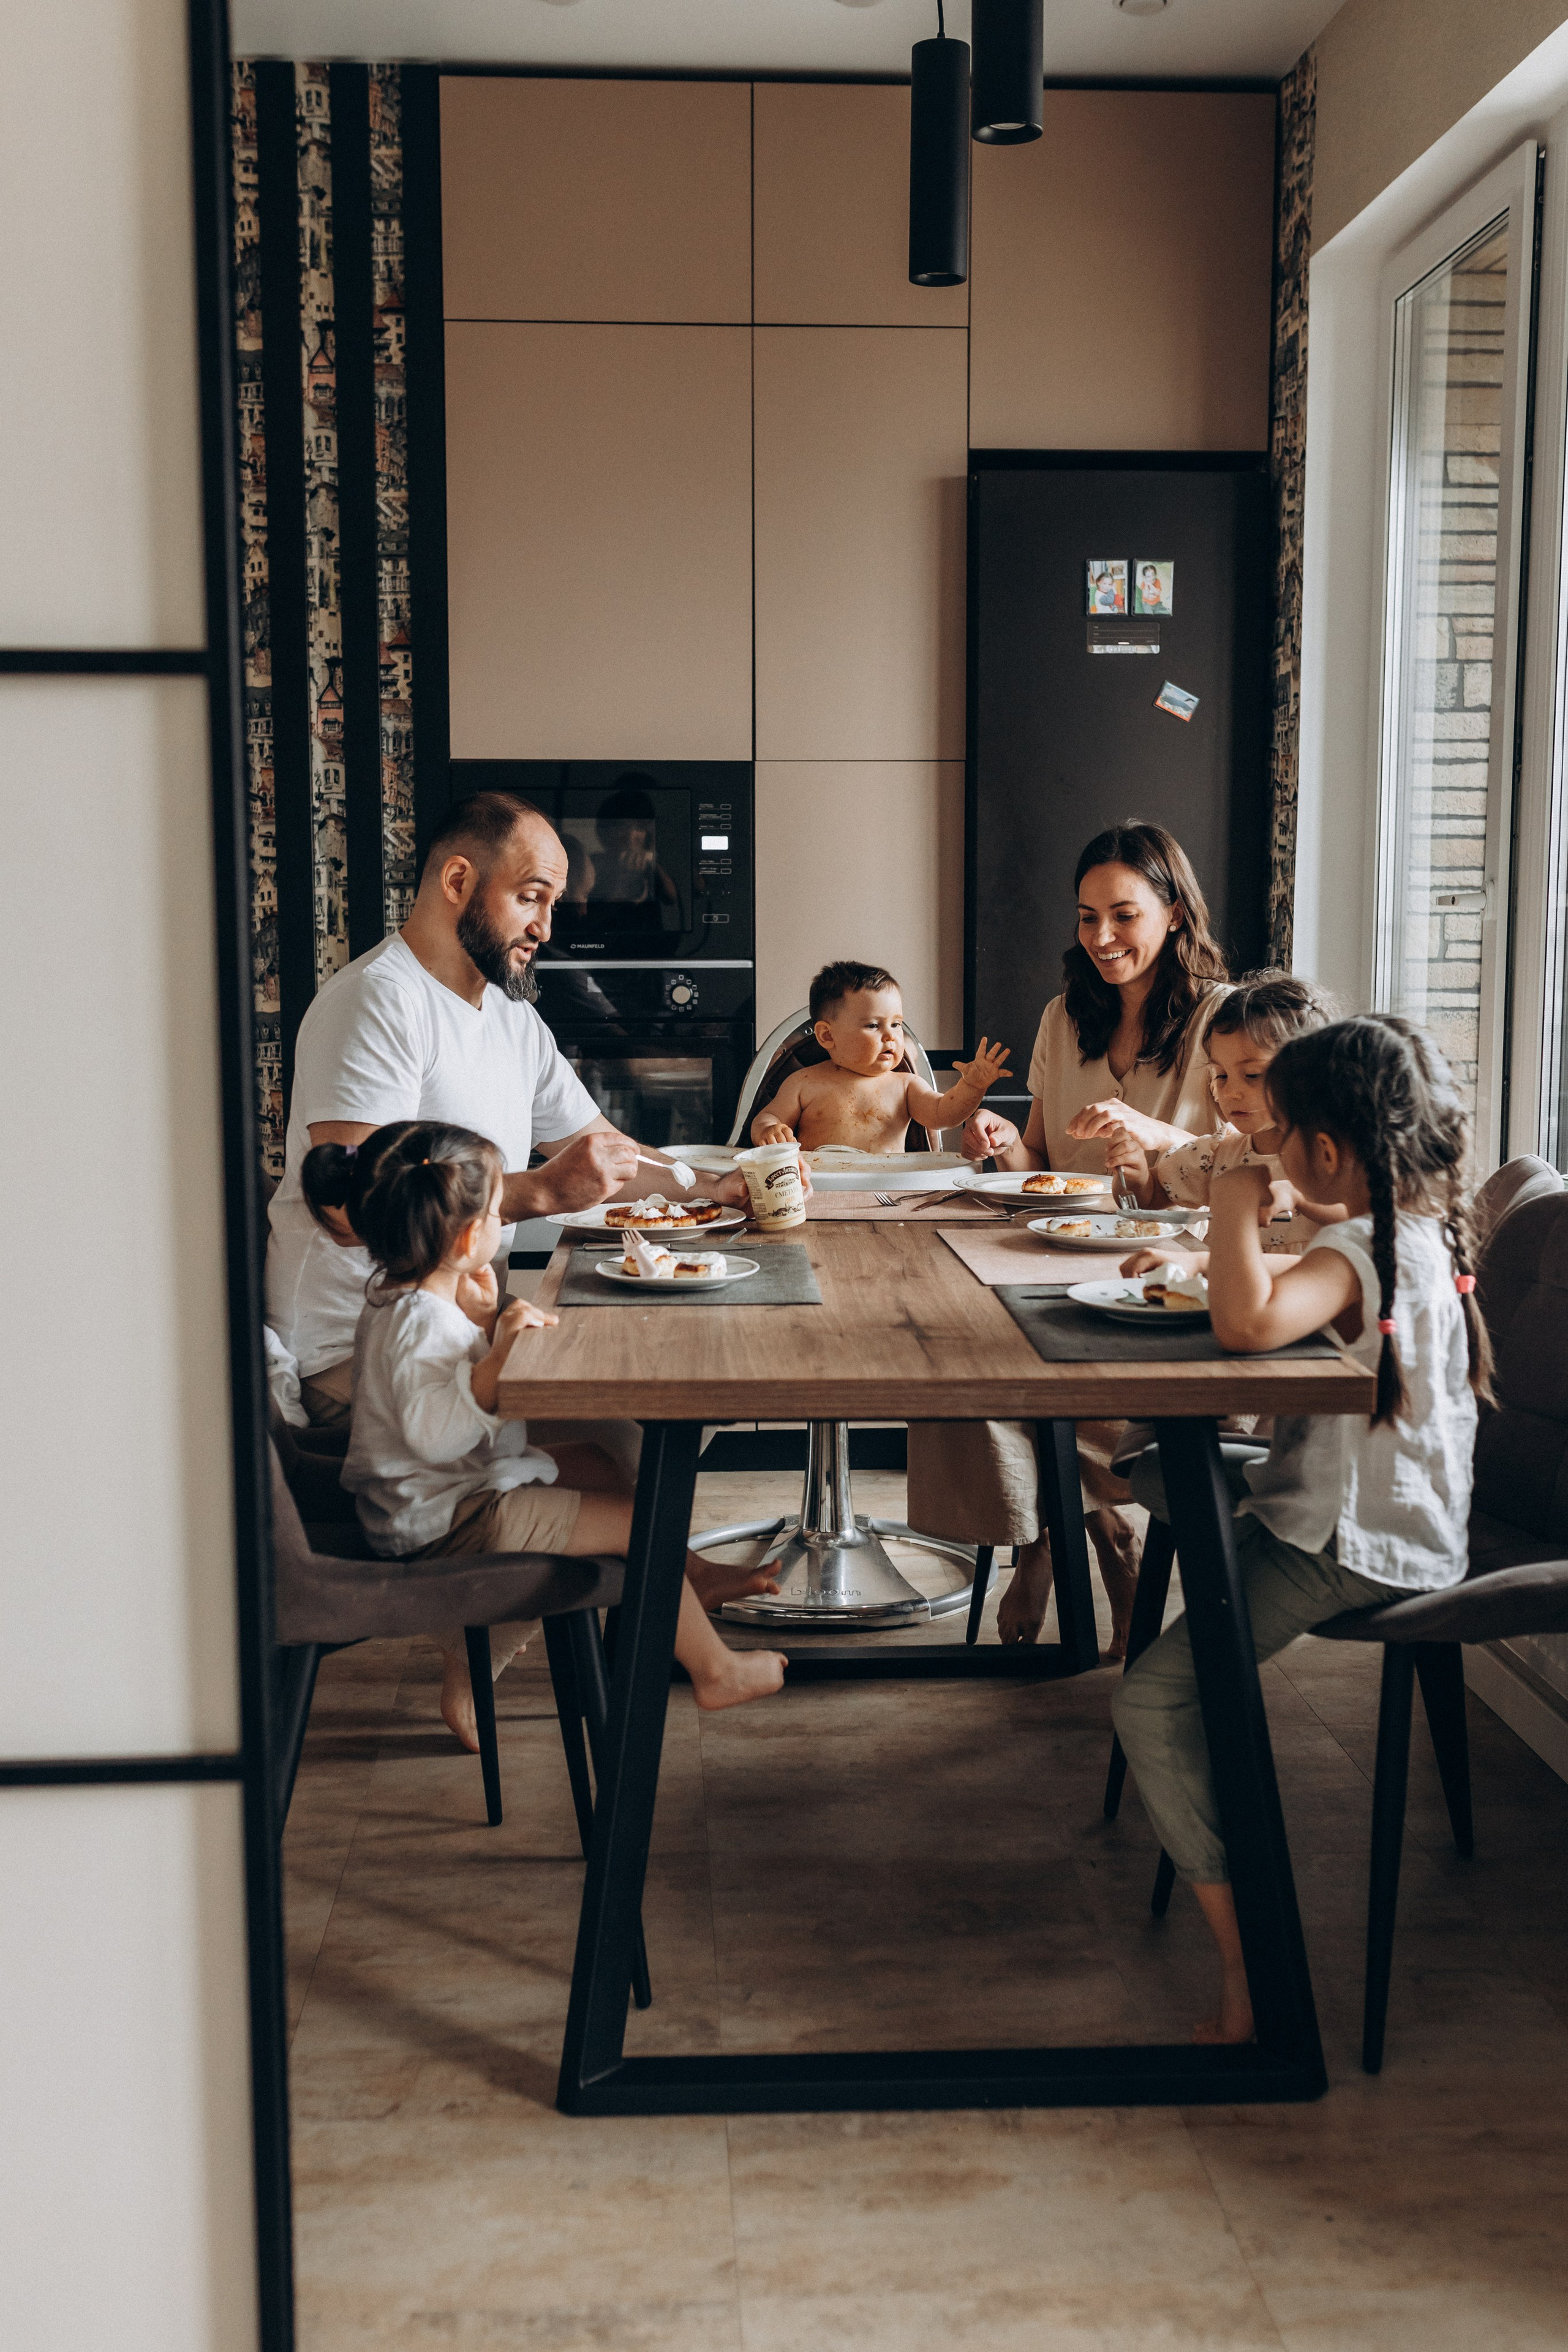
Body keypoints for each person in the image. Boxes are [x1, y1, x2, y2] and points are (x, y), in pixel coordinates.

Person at [1112, 1016, 1490, 2043]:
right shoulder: (1405, 1228)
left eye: (1279, 1134)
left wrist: (1234, 1203)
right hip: (1375, 1513)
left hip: (1351, 1545)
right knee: (1156, 1473)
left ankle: (1253, 1969)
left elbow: (1245, 1325)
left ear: (1328, 1148)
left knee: (1150, 1701)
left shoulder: (1366, 1250)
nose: (1268, 1149)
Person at [265, 789, 760, 1429]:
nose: (545, 929)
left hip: (455, 1334)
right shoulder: (377, 1003)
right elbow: (351, 1209)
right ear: (458, 880)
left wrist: (717, 1190)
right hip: (358, 1355)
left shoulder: (510, 1015)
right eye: (529, 897)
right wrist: (540, 1194)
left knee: (648, 1418)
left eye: (551, 904)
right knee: (638, 1441)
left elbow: (602, 1148)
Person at [303, 1121, 786, 1747]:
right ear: (472, 1235)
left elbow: (427, 1394)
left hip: (448, 1492)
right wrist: (497, 1359)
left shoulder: (405, 1299)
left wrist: (479, 1325)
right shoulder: (417, 1323)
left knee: (595, 1460)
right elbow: (432, 1435)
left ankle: (682, 1581)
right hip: (450, 1517)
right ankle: (713, 1668)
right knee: (640, 1520)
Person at [905, 822, 1229, 1656]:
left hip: (1165, 1270)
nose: (1103, 938)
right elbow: (1038, 1161)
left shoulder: (1222, 1023)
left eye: (1123, 915)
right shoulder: (1063, 1015)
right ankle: (1074, 1535)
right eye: (1087, 918)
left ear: (1175, 913)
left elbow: (1247, 1167)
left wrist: (1150, 1139)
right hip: (1049, 1256)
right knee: (952, 1359)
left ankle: (1055, 1540)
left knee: (1030, 1384)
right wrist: (992, 1140)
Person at [1106, 970, 1344, 1261]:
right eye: (1221, 1074)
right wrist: (1135, 1174)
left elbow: (1370, 1218)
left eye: (1252, 1075)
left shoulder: (1333, 1157)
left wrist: (1299, 1197)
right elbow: (1151, 1196)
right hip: (1220, 1298)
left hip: (1303, 1300)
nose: (1231, 1092)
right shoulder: (1219, 1154)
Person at [749, 960, 1011, 1155]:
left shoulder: (905, 1086)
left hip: (889, 1191)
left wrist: (973, 1087)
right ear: (828, 1036)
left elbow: (945, 1115)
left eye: (896, 1024)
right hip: (819, 1187)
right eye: (874, 1026)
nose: (891, 1036)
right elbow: (766, 1117)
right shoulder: (804, 1083)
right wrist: (769, 1130)